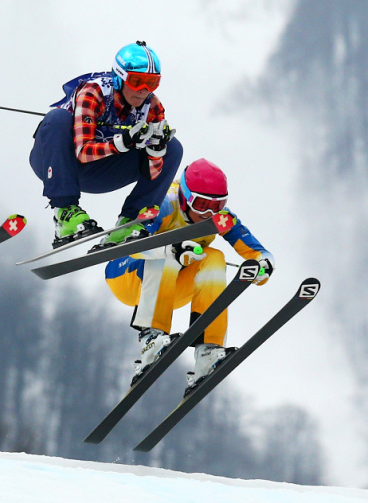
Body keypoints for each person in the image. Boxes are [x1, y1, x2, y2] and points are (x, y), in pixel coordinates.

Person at [104, 158, 275, 390]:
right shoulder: (164, 204)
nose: (209, 213)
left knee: (214, 258)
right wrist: (172, 248)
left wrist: (264, 263)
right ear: (185, 196)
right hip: (127, 275)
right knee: (167, 251)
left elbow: (256, 250)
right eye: (202, 204)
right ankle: (151, 339)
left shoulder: (220, 217)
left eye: (218, 205)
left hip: (170, 288)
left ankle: (208, 351)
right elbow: (134, 245)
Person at [29, 41, 183, 248]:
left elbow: (152, 174)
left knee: (173, 148)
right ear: (119, 77)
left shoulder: (152, 107)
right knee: (57, 118)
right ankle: (65, 213)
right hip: (58, 163)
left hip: (100, 172)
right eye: (137, 81)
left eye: (152, 83)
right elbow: (82, 151)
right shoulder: (94, 92)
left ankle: (131, 222)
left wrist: (156, 150)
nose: (143, 91)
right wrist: (122, 142)